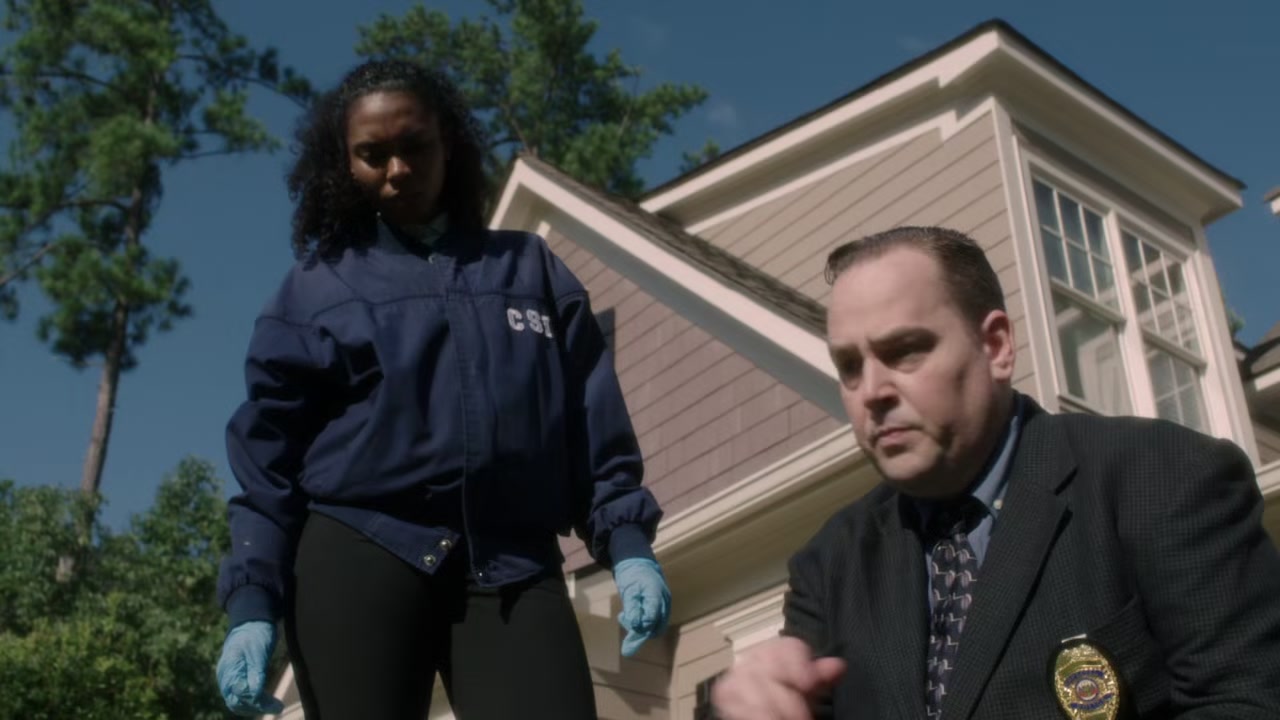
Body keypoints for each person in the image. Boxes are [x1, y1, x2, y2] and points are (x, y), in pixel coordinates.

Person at [213, 59, 670, 719]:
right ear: (344, 164)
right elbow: (267, 469)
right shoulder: (315, 291)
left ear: (447, 143)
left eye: (414, 146)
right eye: (373, 155)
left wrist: (627, 546)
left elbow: (589, 422)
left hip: (514, 562)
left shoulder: (528, 269)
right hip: (361, 551)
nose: (397, 169)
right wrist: (252, 604)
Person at [712, 226, 1280, 719]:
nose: (873, 391)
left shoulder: (1161, 476)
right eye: (849, 366)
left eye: (905, 350)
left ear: (997, 346)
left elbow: (1249, 702)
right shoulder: (831, 564)